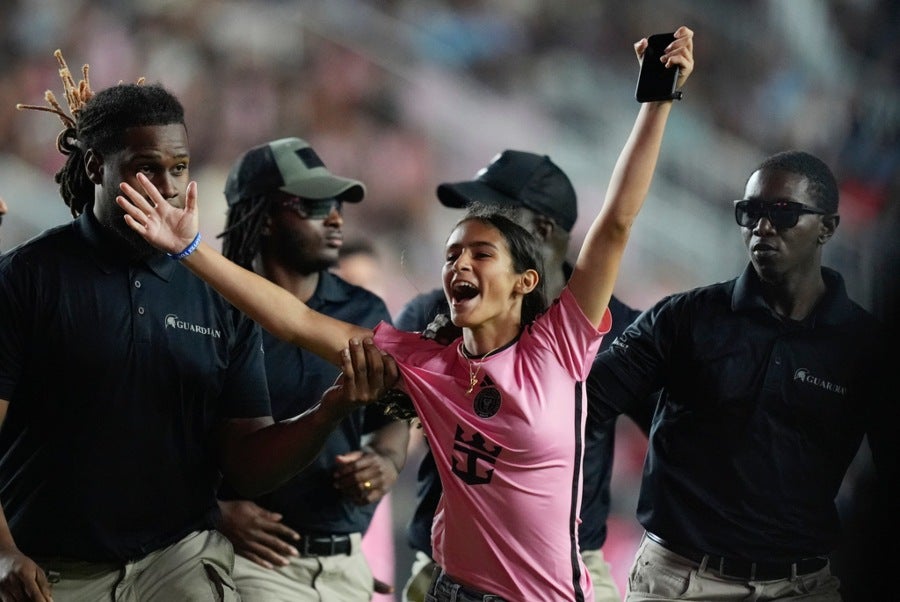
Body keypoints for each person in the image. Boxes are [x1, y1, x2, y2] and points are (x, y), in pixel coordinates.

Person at [116, 26, 694, 601]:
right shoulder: (427, 364)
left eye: (480, 253)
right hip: (448, 589)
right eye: (451, 254)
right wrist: (190, 248)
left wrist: (656, 102)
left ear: (526, 280)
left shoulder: (560, 345)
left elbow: (616, 221)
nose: (458, 264)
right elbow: (295, 321)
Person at [0, 52, 395, 601]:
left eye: (179, 167)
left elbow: (249, 465)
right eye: (146, 166)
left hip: (179, 560)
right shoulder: (27, 277)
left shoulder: (219, 292)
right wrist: (3, 550)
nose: (166, 184)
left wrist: (332, 408)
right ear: (95, 167)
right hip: (57, 572)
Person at [588, 150, 895, 601]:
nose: (762, 227)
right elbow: (583, 404)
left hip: (800, 586)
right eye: (750, 212)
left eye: (784, 213)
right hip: (676, 581)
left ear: (827, 228)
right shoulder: (685, 317)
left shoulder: (866, 349)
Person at [394, 149, 653, 602]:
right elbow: (394, 421)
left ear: (543, 230)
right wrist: (384, 455)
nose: (478, 221)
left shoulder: (612, 331)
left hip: (566, 570)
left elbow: (670, 431)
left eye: (495, 213)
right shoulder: (438, 312)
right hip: (443, 565)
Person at [213, 137, 409, 602]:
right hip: (248, 562)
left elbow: (392, 419)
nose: (336, 217)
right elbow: (157, 434)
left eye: (337, 203)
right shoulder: (209, 308)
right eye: (315, 205)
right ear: (261, 216)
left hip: (345, 565)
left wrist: (385, 461)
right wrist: (210, 511)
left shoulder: (362, 308)